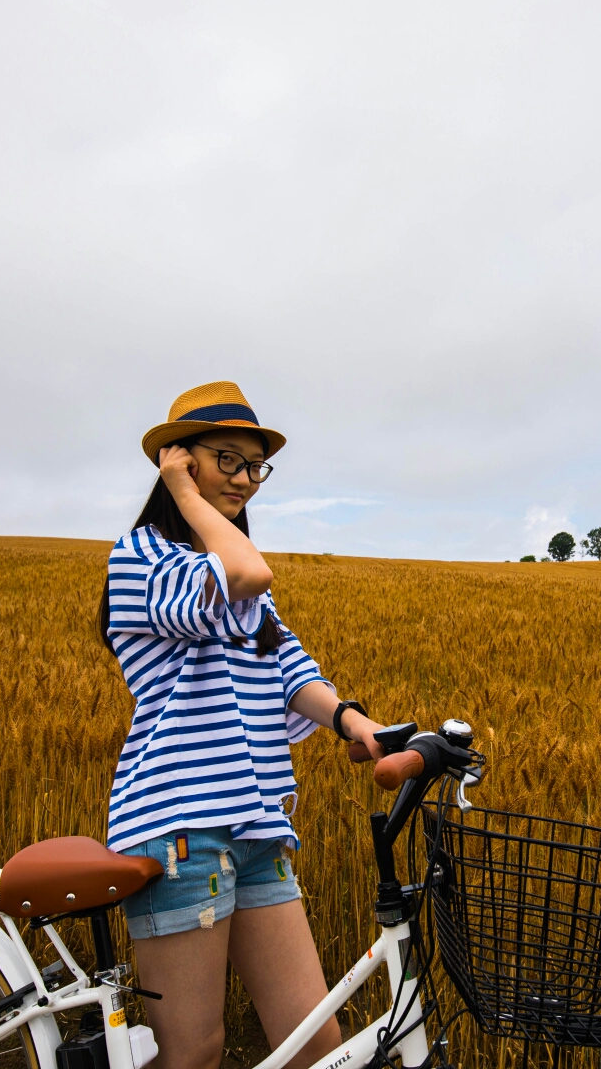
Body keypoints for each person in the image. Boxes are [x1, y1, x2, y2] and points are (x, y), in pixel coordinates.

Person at [98, 381, 386, 1069]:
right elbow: (248, 571)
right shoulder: (142, 558)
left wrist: (355, 723)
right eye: (228, 459)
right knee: (196, 1054)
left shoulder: (240, 588)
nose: (246, 480)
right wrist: (187, 496)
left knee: (313, 1046)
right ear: (178, 460)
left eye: (255, 466)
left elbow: (294, 672)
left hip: (258, 827)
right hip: (183, 832)